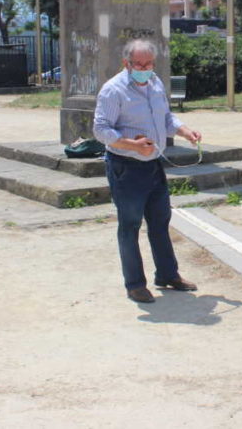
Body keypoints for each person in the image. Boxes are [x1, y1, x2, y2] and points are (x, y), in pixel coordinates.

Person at [93, 39, 203, 304]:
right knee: (129, 226)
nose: (143, 68)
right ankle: (135, 285)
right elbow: (101, 130)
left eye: (148, 63)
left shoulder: (155, 83)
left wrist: (184, 130)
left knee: (160, 222)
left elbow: (166, 119)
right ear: (126, 63)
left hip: (153, 164)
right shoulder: (113, 90)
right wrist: (131, 144)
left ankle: (167, 274)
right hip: (126, 167)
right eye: (138, 64)